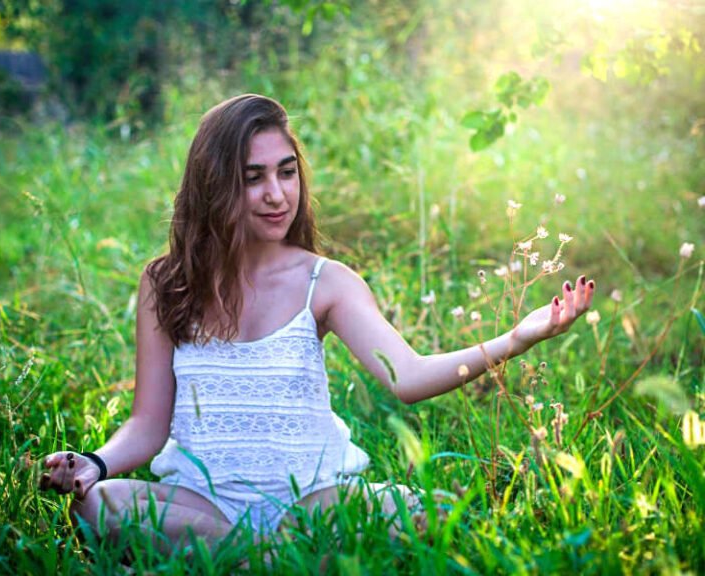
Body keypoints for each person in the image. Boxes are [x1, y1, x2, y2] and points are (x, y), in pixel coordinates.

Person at [39, 94, 595, 546]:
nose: (276, 194)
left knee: (436, 512)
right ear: (214, 184)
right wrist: (94, 463)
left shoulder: (324, 282)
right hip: (201, 504)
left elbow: (409, 377)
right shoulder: (166, 283)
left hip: (312, 500)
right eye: (252, 177)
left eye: (286, 172)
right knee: (96, 501)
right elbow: (147, 425)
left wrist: (518, 338)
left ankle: (252, 555)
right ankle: (277, 556)